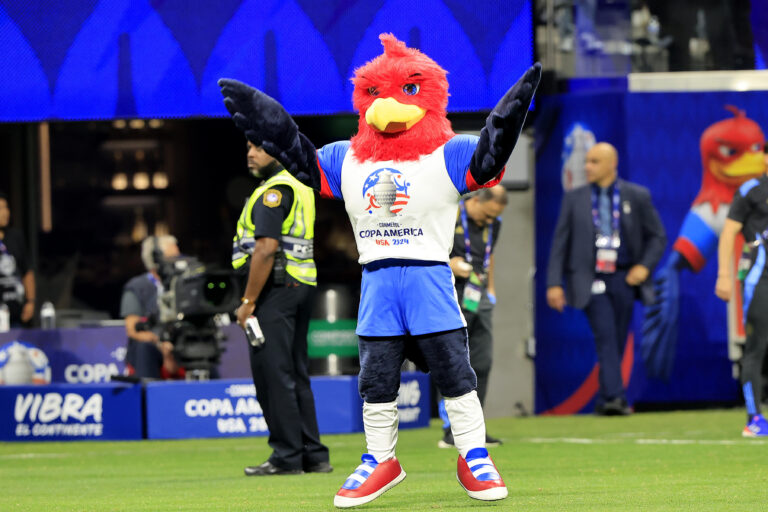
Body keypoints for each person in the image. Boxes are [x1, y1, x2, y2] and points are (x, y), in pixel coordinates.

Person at [220, 34, 539, 507]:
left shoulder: (447, 152)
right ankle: (379, 458)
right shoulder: (347, 158)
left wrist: (508, 117)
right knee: (376, 380)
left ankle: (472, 454)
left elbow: (487, 158)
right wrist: (272, 125)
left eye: (405, 91)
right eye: (375, 93)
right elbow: (301, 156)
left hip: (430, 278)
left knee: (455, 372)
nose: (388, 105)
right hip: (377, 283)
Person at [233, 141, 331, 476]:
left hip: (274, 290)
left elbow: (265, 248)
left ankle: (287, 457)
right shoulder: (300, 185)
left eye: (258, 147)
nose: (250, 153)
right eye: (248, 147)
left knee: (273, 375)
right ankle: (313, 455)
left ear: (277, 151)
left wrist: (248, 302)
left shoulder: (272, 192)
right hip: (300, 285)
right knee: (295, 373)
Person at [546, 142, 666, 415]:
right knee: (606, 336)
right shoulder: (574, 198)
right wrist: (554, 283)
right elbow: (559, 244)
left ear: (612, 164)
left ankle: (604, 398)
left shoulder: (636, 196)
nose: (587, 166)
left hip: (624, 278)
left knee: (618, 339)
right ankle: (616, 398)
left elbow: (657, 236)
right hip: (590, 279)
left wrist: (644, 267)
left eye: (594, 161)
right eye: (587, 161)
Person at [438, 185, 507, 448]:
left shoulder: (494, 224)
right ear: (475, 200)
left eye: (494, 217)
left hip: (479, 296)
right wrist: (449, 263)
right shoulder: (448, 215)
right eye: (486, 215)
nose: (489, 221)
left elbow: (489, 257)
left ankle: (475, 428)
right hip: (451, 294)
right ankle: (451, 429)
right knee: (453, 361)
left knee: (483, 362)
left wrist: (491, 290)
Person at [715, 144, 768, 437]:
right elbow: (728, 233)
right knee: (758, 346)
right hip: (761, 278)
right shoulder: (751, 189)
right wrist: (724, 275)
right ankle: (755, 419)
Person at [119, 235, 182, 379]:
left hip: (181, 344)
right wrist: (161, 344)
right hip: (154, 347)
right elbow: (133, 330)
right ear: (156, 260)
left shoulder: (184, 283)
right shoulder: (136, 287)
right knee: (144, 347)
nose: (178, 261)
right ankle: (147, 396)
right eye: (173, 256)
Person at [0, 192, 35, 326]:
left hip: (16, 313)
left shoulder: (15, 237)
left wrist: (30, 301)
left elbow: (27, 270)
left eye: (6, 207)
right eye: (1, 208)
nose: (5, 212)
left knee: (15, 346)